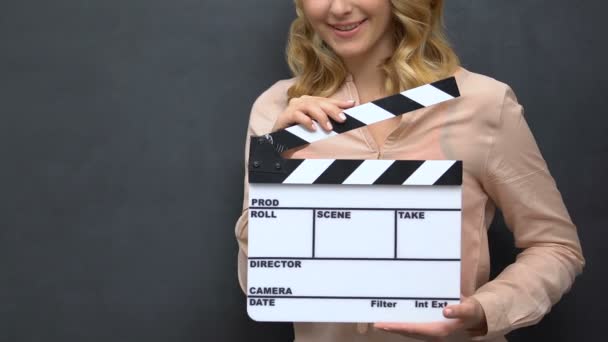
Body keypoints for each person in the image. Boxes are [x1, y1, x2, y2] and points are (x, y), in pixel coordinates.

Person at [234, 0, 585, 341]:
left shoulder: (483, 104)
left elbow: (556, 246)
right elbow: (258, 281)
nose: (338, 7)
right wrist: (277, 166)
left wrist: (484, 310)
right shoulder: (279, 110)